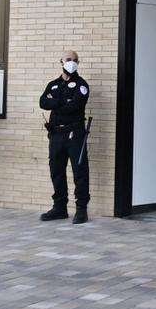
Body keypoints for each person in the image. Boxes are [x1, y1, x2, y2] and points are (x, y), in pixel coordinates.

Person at [39, 50, 90, 224]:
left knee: (80, 172)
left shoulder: (81, 85)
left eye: (75, 60)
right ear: (61, 61)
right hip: (56, 134)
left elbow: (74, 106)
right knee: (56, 171)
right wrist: (63, 101)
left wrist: (56, 102)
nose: (72, 62)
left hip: (74, 133)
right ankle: (59, 207)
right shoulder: (53, 84)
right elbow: (43, 102)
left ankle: (81, 209)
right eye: (69, 59)